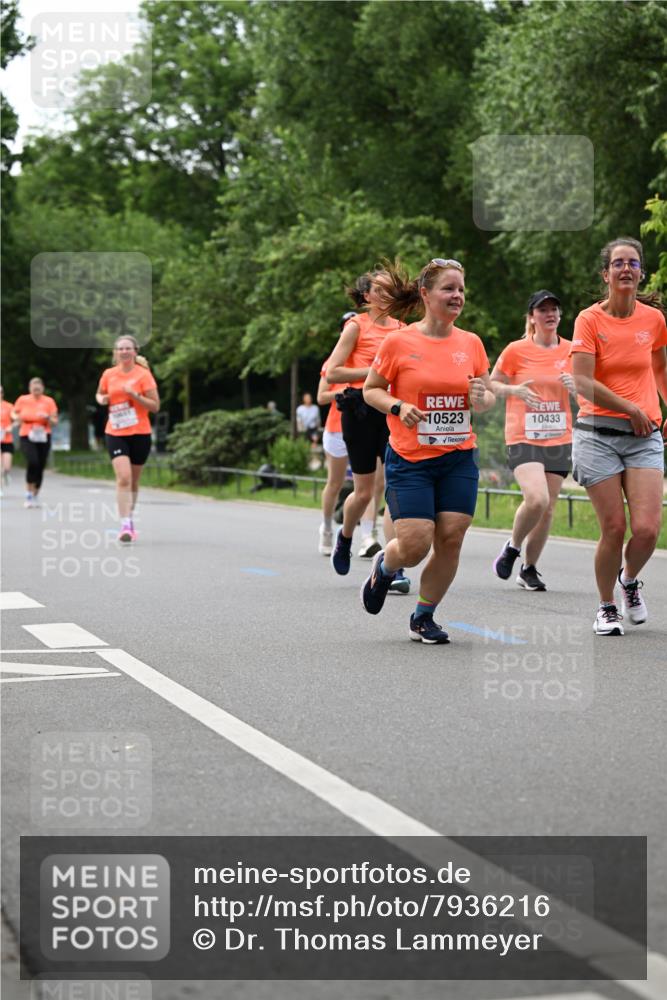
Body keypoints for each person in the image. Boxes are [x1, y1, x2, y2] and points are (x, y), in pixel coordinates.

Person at [360, 257, 495, 643]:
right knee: (416, 545)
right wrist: (398, 407)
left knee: (452, 535)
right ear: (425, 294)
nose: (457, 296)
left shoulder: (470, 343)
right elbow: (372, 390)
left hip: (458, 456)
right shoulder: (399, 341)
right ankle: (385, 567)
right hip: (410, 459)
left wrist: (480, 395)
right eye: (449, 289)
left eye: (461, 290)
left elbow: (486, 401)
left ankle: (424, 616)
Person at [570, 237, 667, 636]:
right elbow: (581, 381)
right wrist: (629, 407)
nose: (626, 269)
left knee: (646, 529)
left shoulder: (654, 320)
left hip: (644, 435)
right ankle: (606, 605)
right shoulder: (589, 320)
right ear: (605, 274)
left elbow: (661, 368)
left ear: (640, 272)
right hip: (598, 435)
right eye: (618, 263)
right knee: (613, 527)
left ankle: (629, 581)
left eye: (633, 263)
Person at [490, 290, 577, 590]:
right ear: (532, 318)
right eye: (543, 310)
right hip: (523, 434)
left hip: (558, 436)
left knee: (549, 507)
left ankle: (529, 568)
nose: (550, 314)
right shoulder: (516, 350)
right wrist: (513, 391)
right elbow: (492, 383)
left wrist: (577, 386)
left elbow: (590, 391)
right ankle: (513, 547)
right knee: (537, 499)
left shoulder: (571, 350)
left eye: (554, 309)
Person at [326, 271, 405, 569]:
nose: (386, 294)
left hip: (389, 410)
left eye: (390, 289)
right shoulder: (355, 327)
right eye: (379, 290)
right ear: (366, 296)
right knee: (362, 492)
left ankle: (392, 564)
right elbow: (333, 372)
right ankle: (345, 537)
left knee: (392, 486)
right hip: (359, 410)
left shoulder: (403, 330)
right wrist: (372, 373)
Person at [96, 335, 160, 543]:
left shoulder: (144, 375)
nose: (123, 352)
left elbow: (155, 406)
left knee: (133, 480)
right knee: (123, 478)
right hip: (115, 431)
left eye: (127, 348)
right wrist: (102, 399)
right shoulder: (108, 374)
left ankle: (129, 518)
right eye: (120, 349)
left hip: (140, 432)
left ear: (135, 351)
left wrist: (135, 396)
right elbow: (99, 394)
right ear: (116, 352)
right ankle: (125, 524)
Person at [11, 378, 58, 508]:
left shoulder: (49, 401)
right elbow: (14, 413)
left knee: (40, 465)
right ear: (29, 388)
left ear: (42, 388)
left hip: (44, 434)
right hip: (27, 434)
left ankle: (35, 493)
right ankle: (28, 493)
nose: (36, 391)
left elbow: (55, 421)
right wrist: (18, 418)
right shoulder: (23, 399)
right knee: (33, 461)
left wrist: (47, 417)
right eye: (33, 388)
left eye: (38, 388)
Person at [1, 385, 15, 487]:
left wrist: (11, 427)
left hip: (6, 439)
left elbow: (16, 419)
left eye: (0, 392)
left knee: (7, 466)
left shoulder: (9, 406)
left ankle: (6, 474)